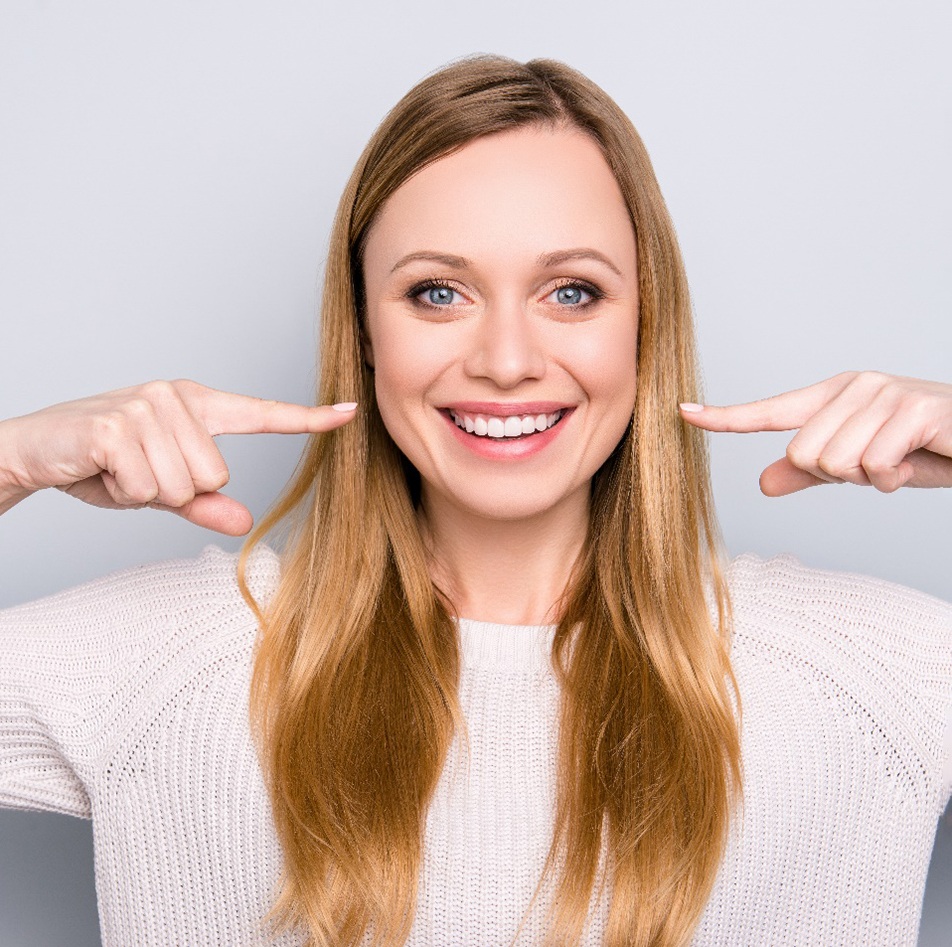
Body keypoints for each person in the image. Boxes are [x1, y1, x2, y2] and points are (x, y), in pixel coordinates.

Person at [1, 52, 950, 947]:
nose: (505, 361)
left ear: (645, 325)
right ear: (365, 332)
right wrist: (13, 460)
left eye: (573, 292)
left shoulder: (868, 678)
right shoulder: (165, 663)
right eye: (438, 293)